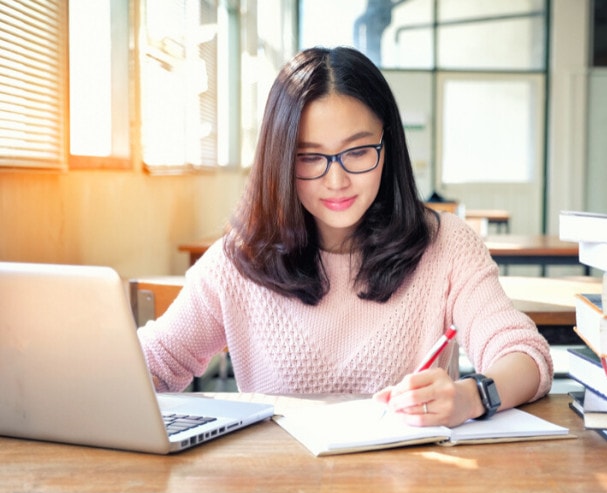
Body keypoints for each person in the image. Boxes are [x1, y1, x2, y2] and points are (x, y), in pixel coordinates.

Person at [138, 46, 552, 428]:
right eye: (310, 157)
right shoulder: (238, 261)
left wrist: (471, 396)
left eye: (357, 152)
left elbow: (525, 356)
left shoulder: (446, 245)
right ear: (279, 160)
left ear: (386, 146)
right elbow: (153, 363)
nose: (336, 181)